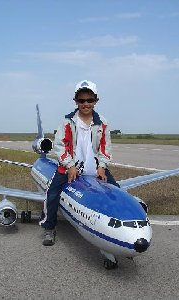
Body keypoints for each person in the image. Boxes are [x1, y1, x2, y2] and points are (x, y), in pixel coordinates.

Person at [39, 80, 119, 246]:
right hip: (70, 167)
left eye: (89, 100)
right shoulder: (67, 122)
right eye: (81, 100)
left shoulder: (102, 123)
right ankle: (49, 227)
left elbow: (105, 147)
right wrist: (70, 165)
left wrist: (102, 166)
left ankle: (115, 233)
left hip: (95, 167)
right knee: (52, 194)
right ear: (75, 101)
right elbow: (60, 146)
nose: (85, 104)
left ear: (96, 100)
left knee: (116, 193)